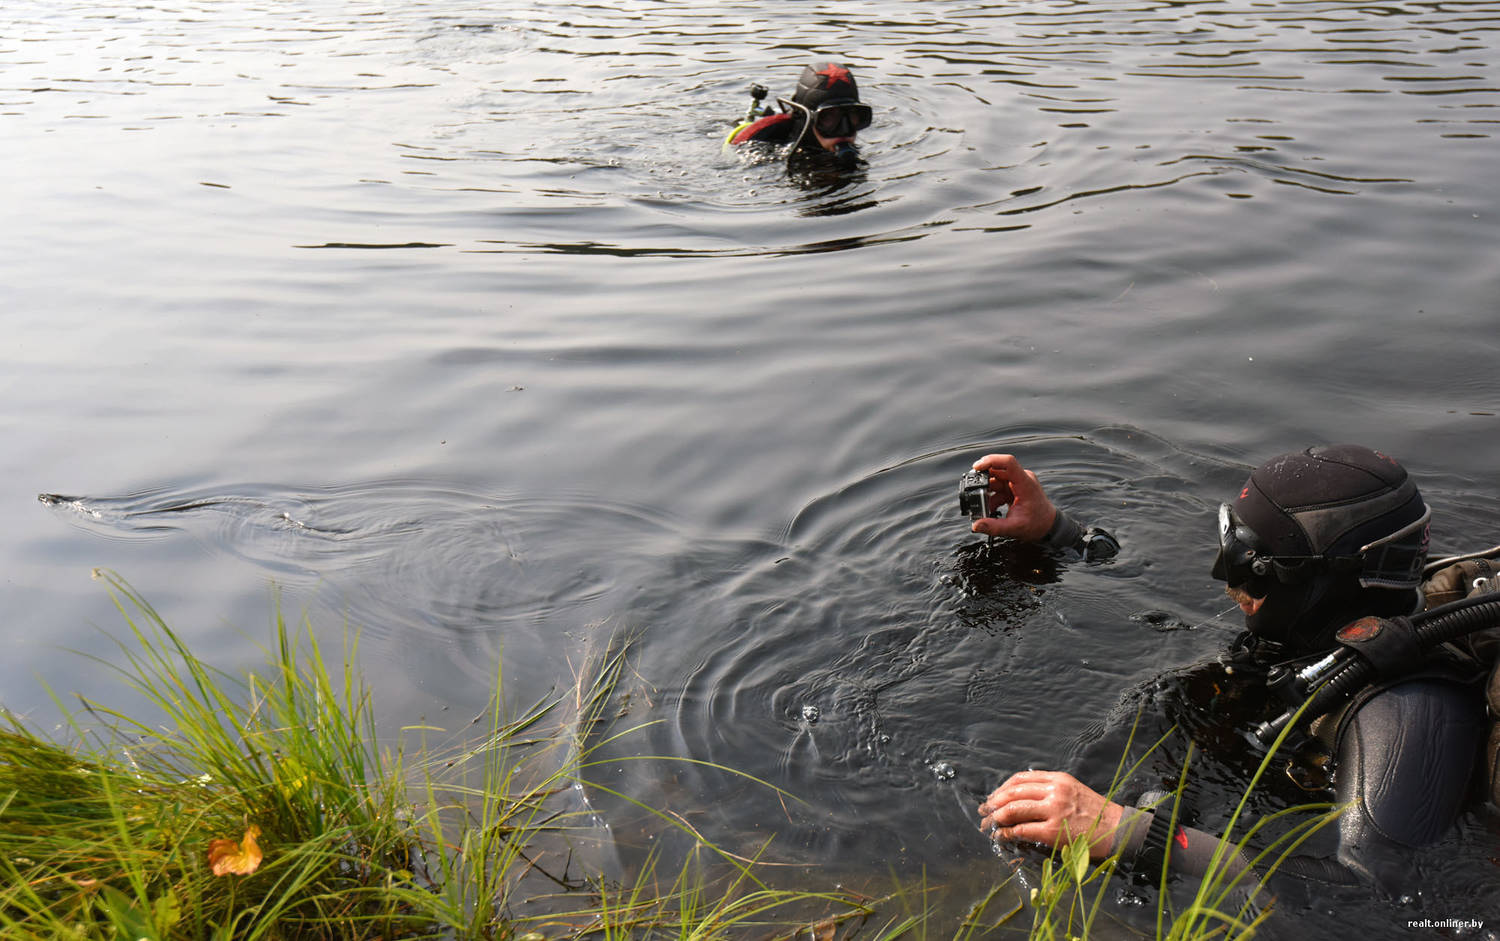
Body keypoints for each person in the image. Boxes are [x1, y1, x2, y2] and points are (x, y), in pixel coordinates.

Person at [967, 446, 1496, 898]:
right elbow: (1148, 589)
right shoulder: (1317, 620)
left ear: (1311, 583)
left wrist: (1121, 832)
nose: (1224, 578)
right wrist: (1055, 530)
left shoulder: (1406, 714)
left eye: (1245, 561)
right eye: (1231, 544)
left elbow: (1372, 892)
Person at [725, 62, 872, 164]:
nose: (844, 130)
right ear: (806, 117)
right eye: (829, 117)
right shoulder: (766, 143)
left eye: (852, 115)